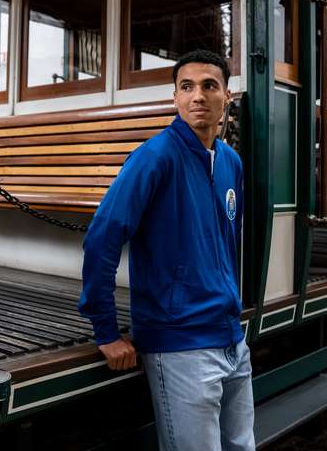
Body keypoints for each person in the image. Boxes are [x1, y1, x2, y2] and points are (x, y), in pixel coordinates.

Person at [78, 49, 253, 450]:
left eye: (209, 86)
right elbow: (103, 237)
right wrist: (105, 330)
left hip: (232, 340)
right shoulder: (153, 158)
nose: (197, 96)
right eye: (186, 86)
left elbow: (227, 246)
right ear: (174, 97)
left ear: (226, 96)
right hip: (180, 346)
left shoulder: (231, 162)